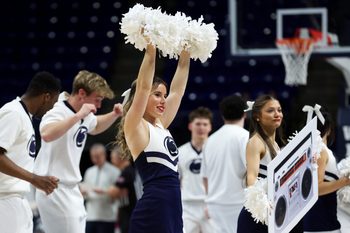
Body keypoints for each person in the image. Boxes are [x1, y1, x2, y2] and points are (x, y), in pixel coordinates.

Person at [34, 70, 123, 233]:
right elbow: (46, 134)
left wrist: (114, 114)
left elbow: (95, 126)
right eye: (97, 100)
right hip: (54, 188)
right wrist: (78, 116)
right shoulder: (58, 111)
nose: (99, 106)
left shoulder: (84, 115)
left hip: (72, 188)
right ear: (81, 93)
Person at [115, 42, 191, 233]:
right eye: (157, 95)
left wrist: (187, 52)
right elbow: (142, 87)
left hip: (173, 206)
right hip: (155, 207)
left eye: (163, 96)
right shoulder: (136, 125)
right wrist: (151, 48)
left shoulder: (160, 124)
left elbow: (178, 91)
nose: (163, 100)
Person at [0, 71, 61, 233]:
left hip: (17, 200)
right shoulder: (13, 113)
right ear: (46, 97)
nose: (50, 110)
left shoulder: (24, 116)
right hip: (4, 200)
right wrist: (34, 179)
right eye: (53, 103)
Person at [237, 95, 303, 233]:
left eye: (279, 110)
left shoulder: (276, 145)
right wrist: (263, 207)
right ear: (257, 116)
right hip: (258, 216)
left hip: (273, 212)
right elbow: (252, 179)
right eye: (270, 111)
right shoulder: (256, 141)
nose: (277, 114)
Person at [201, 94, 249, 233]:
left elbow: (205, 178)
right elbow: (252, 172)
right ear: (245, 114)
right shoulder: (245, 137)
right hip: (239, 204)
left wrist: (209, 200)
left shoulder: (209, 140)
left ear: (222, 115)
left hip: (215, 205)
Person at [303, 108, 350, 233]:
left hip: (316, 221)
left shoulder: (309, 149)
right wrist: (345, 182)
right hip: (322, 223)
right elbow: (316, 188)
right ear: (329, 129)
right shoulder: (321, 150)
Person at [178, 107, 215, 233]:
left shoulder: (217, 151)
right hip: (187, 205)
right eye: (198, 124)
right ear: (190, 126)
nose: (201, 128)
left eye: (205, 124)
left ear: (210, 127)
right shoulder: (180, 152)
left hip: (211, 204)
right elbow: (176, 181)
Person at [80, 143, 121, 233]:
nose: (95, 159)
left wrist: (103, 191)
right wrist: (83, 192)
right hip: (90, 216)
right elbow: (86, 190)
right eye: (93, 157)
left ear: (104, 155)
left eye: (97, 156)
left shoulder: (114, 171)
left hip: (107, 216)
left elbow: (118, 194)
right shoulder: (89, 171)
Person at [107, 145, 138, 233]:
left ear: (120, 157)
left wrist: (113, 191)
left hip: (130, 213)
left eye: (112, 157)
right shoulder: (128, 171)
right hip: (127, 213)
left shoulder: (127, 172)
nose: (111, 160)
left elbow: (113, 192)